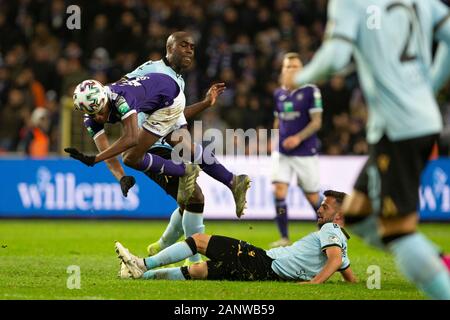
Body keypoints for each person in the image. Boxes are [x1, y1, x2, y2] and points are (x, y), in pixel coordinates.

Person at [291, 0, 450, 299]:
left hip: (398, 129)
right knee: (357, 214)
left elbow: (336, 58)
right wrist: (428, 87)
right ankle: (435, 260)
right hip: (417, 122)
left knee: (398, 232)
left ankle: (437, 275)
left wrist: (297, 78)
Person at [65, 31, 250, 217]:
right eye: (183, 45)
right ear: (169, 48)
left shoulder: (173, 81)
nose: (189, 51)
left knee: (192, 196)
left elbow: (168, 116)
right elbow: (110, 150)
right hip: (150, 144)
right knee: (190, 191)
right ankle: (231, 180)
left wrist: (202, 105)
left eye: (191, 47)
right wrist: (120, 176)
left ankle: (208, 182)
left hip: (149, 141)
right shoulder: (153, 70)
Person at [116, 190, 357, 284]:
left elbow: (334, 260)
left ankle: (142, 264)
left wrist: (314, 283)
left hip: (263, 261)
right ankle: (142, 275)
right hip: (266, 274)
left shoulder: (331, 230)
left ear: (339, 215)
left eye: (325, 207)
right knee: (199, 271)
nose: (319, 209)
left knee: (199, 240)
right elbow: (347, 274)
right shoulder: (341, 242)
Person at [270, 52, 323, 247]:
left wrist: (298, 138)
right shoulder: (279, 93)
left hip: (305, 152)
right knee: (279, 191)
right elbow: (278, 118)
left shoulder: (311, 91)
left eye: (295, 67)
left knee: (313, 196)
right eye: (287, 67)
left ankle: (326, 229)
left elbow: (317, 122)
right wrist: (274, 136)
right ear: (282, 70)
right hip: (282, 152)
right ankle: (284, 237)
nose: (291, 70)